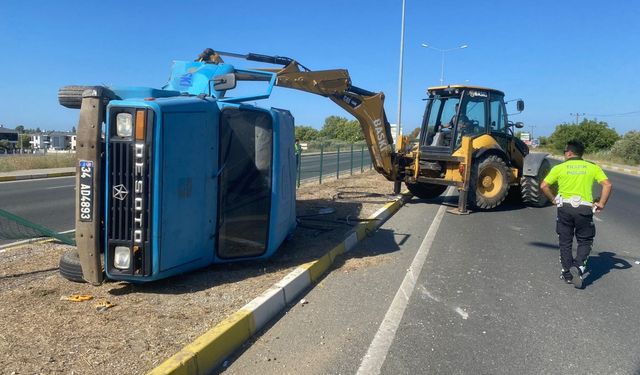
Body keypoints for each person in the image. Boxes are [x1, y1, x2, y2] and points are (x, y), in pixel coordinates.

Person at [540, 140, 612, 289]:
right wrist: (601, 203)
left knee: (565, 241)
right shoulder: (592, 167)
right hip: (584, 209)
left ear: (569, 153)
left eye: (565, 152)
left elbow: (544, 186)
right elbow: (607, 184)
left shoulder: (560, 167)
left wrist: (553, 199)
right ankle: (578, 267)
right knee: (585, 240)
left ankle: (567, 273)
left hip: (565, 208)